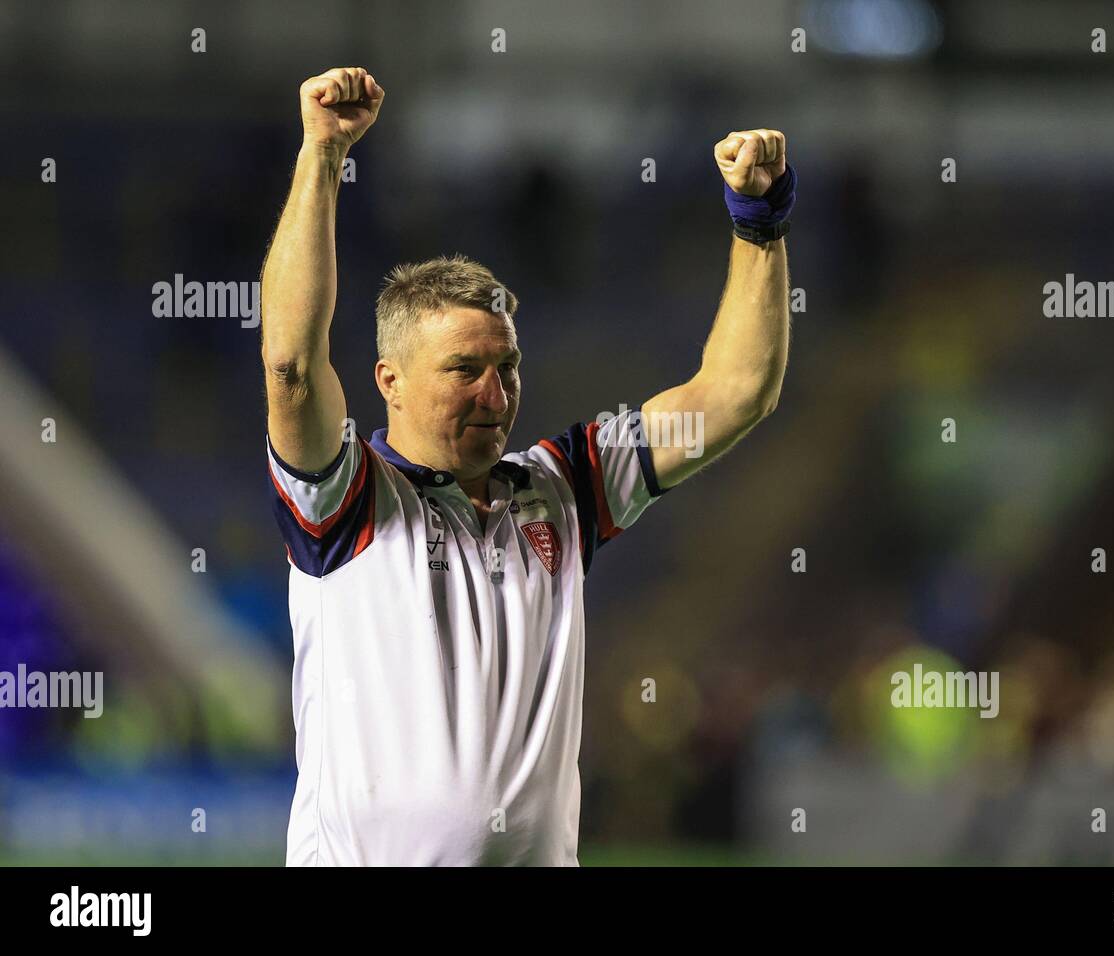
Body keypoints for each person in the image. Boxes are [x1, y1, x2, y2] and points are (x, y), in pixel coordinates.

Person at [260, 66, 794, 865]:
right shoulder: (348, 501)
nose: (495, 391)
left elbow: (737, 393)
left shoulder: (563, 483)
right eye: (463, 369)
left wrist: (759, 223)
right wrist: (324, 153)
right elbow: (293, 366)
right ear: (389, 381)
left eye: (507, 366)